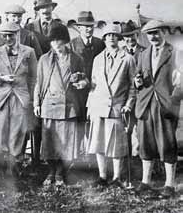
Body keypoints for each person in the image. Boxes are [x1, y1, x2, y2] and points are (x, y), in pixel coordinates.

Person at [34, 23, 88, 187]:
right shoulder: (44, 59)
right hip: (49, 105)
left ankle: (60, 173)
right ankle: (51, 172)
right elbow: (39, 82)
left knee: (66, 143)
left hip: (68, 106)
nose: (56, 44)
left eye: (59, 40)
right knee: (50, 143)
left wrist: (82, 82)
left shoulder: (76, 58)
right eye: (53, 41)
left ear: (65, 41)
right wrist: (37, 103)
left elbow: (84, 79)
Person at [134, 20, 182, 198]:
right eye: (149, 34)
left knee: (167, 143)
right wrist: (137, 82)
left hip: (166, 106)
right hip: (146, 104)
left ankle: (169, 184)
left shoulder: (175, 52)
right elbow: (138, 76)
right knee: (145, 143)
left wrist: (173, 100)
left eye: (156, 32)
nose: (153, 37)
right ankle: (146, 182)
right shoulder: (143, 54)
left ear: (163, 32)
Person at [0, 22, 37, 177]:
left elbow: (34, 77)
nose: (8, 38)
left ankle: (14, 168)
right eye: (5, 36)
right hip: (0, 100)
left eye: (11, 35)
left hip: (20, 98)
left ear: (18, 35)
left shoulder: (29, 52)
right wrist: (1, 78)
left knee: (17, 133)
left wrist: (31, 97)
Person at [87, 23, 136, 188]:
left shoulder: (128, 59)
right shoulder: (97, 59)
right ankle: (102, 176)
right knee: (98, 143)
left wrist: (128, 104)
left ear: (119, 38)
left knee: (116, 145)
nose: (111, 39)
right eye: (107, 36)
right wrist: (90, 106)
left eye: (114, 36)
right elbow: (93, 85)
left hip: (117, 107)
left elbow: (132, 86)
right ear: (104, 39)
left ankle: (117, 178)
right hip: (98, 107)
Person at [69, 11, 105, 154]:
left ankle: (92, 156)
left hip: (96, 90)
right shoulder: (72, 45)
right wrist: (79, 81)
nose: (88, 29)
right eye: (84, 27)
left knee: (93, 123)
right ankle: (76, 156)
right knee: (78, 122)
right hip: (78, 92)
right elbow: (69, 68)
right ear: (79, 28)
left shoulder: (100, 43)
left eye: (90, 26)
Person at [121, 20, 146, 157]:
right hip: (125, 97)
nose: (129, 39)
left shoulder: (145, 51)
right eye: (126, 36)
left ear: (136, 35)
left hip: (141, 96)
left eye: (132, 35)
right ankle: (127, 157)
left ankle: (139, 157)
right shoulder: (120, 53)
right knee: (126, 128)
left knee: (140, 129)